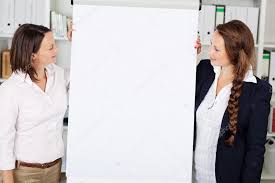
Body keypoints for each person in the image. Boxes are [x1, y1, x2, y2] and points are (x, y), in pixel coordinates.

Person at [193, 19, 272, 183]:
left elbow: (255, 151)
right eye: (210, 45)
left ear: (234, 53)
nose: (210, 53)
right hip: (193, 176)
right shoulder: (204, 70)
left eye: (216, 49)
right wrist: (189, 55)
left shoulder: (258, 91)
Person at [0, 24, 69, 183]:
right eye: (50, 47)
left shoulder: (58, 74)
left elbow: (87, 71)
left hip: (55, 168)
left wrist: (80, 40)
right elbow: (4, 140)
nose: (56, 50)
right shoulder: (11, 89)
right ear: (33, 55)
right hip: (24, 173)